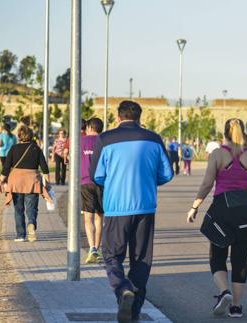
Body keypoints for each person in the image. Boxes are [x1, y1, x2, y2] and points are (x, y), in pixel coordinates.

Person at [90, 100, 173, 322]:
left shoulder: (105, 139)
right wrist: (147, 180)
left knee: (111, 254)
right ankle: (133, 310)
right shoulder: (154, 139)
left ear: (118, 117)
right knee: (141, 259)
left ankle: (122, 289)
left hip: (117, 207)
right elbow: (167, 173)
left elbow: (96, 175)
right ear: (139, 117)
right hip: (145, 206)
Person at [187, 118, 247, 318]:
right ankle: (236, 306)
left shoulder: (218, 154)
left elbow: (207, 184)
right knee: (240, 260)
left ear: (225, 133)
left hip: (223, 210)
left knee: (217, 256)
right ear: (243, 133)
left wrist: (195, 207)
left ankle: (224, 291)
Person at [0, 126, 51, 242]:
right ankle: (31, 223)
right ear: (31, 135)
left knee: (18, 209)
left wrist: (1, 181)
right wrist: (47, 182)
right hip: (32, 181)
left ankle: (20, 235)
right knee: (31, 208)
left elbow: (6, 167)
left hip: (16, 181)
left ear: (19, 136)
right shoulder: (35, 148)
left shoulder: (14, 148)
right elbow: (44, 167)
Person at [81, 117, 104, 264]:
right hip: (101, 182)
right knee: (99, 216)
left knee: (88, 217)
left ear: (89, 128)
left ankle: (92, 249)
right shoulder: (104, 142)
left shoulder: (81, 141)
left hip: (85, 182)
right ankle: (98, 248)